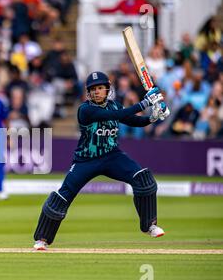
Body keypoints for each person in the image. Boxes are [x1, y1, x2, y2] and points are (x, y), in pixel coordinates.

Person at [32, 71, 170, 250]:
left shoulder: (115, 106)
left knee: (143, 178)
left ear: (107, 89)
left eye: (100, 88)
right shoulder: (85, 109)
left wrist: (153, 117)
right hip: (86, 160)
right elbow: (113, 117)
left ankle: (149, 225)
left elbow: (134, 120)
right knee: (62, 196)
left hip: (112, 156)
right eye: (93, 89)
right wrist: (145, 102)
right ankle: (42, 239)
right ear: (88, 92)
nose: (97, 92)